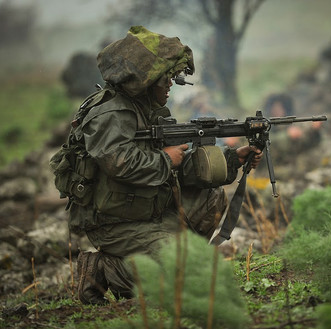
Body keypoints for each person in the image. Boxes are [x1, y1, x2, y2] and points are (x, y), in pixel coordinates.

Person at [51, 26, 262, 305]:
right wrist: (166, 158)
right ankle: (103, 271)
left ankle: (168, 254)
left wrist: (233, 158)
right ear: (145, 81)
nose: (171, 85)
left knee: (211, 199)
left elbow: (174, 171)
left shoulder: (147, 109)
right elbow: (120, 163)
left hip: (148, 209)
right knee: (181, 277)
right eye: (165, 80)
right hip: (115, 222)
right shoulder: (111, 113)